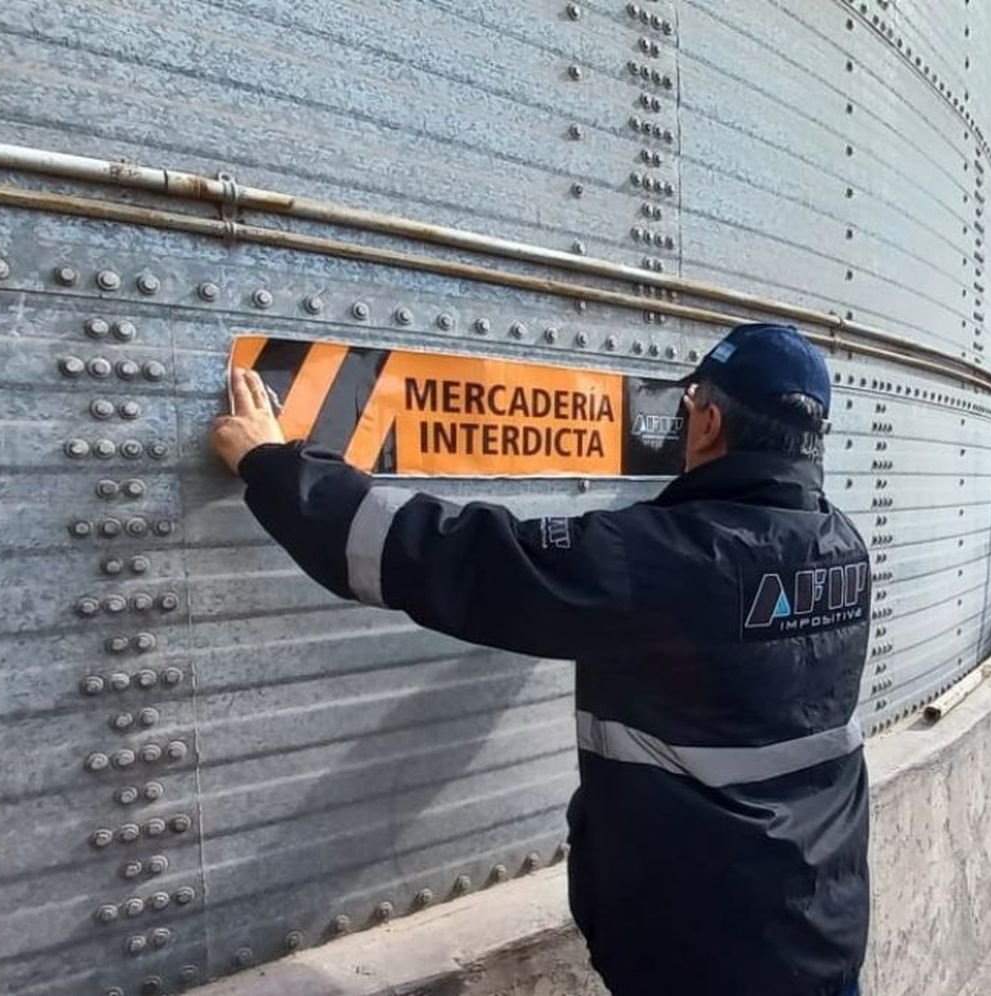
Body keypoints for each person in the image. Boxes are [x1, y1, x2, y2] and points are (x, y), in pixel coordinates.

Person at [212, 322, 871, 996]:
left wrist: (274, 467)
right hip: (818, 926)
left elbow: (456, 559)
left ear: (704, 422)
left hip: (709, 957)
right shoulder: (843, 546)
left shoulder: (668, 558)